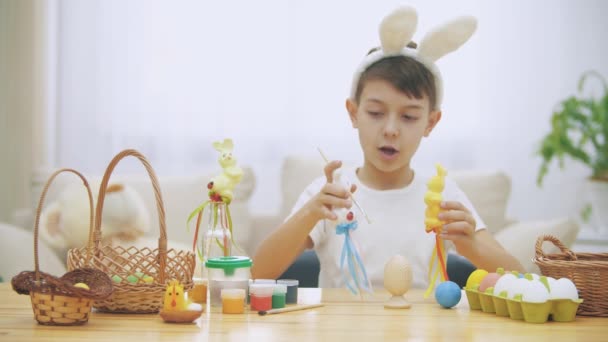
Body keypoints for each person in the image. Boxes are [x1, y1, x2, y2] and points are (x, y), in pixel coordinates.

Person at [252, 6, 524, 288]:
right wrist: (309, 213)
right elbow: (258, 273)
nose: (391, 129)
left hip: (424, 333)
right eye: (376, 113)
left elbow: (520, 279)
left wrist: (471, 247)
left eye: (408, 117)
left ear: (431, 122)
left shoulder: (443, 195)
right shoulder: (330, 192)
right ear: (353, 112)